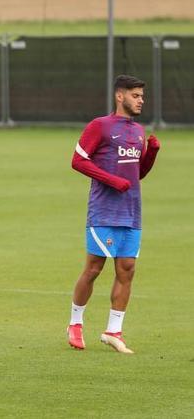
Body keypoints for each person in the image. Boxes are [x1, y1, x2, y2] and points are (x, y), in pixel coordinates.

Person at [67, 75, 160, 354]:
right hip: (104, 210)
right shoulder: (100, 126)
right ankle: (75, 323)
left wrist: (150, 155)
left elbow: (136, 174)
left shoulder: (138, 131)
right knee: (94, 268)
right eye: (135, 95)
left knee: (127, 270)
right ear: (120, 97)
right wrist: (111, 180)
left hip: (132, 211)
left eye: (142, 96)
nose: (140, 100)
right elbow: (77, 160)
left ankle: (113, 331)